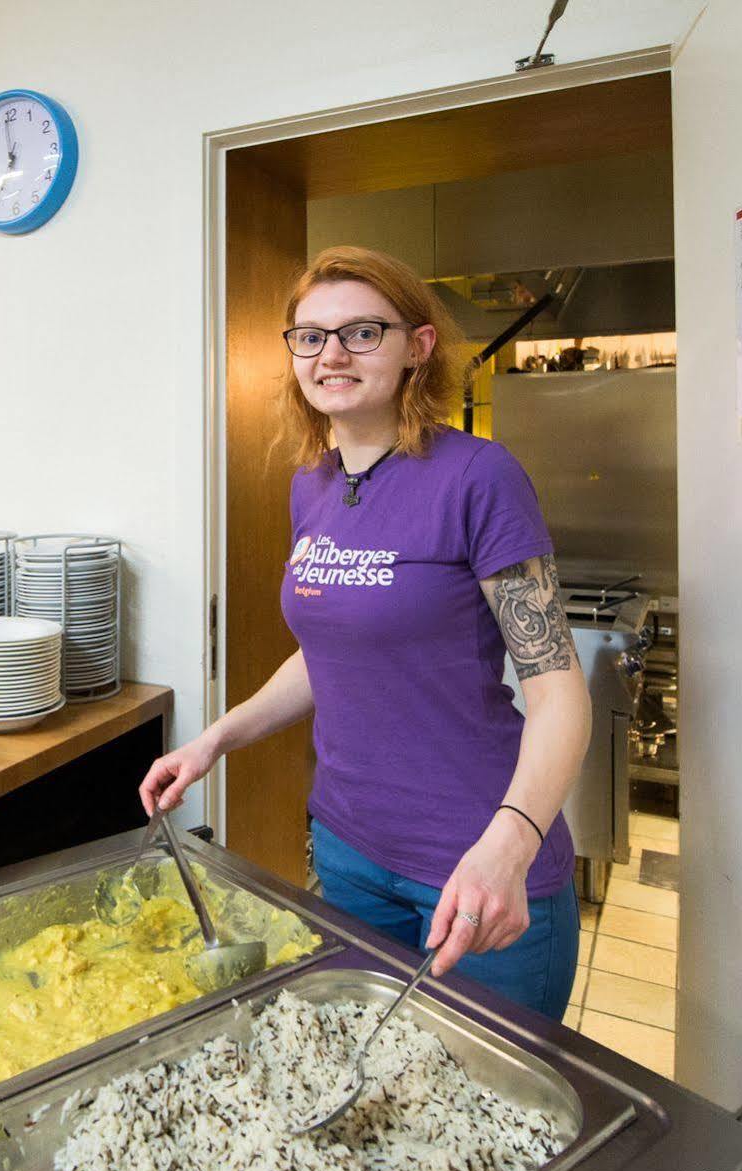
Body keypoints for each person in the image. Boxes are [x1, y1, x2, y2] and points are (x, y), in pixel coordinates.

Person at [140, 247, 591, 1020]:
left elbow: (558, 693)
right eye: (309, 336)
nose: (332, 355)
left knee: (478, 1118)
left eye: (361, 332)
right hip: (348, 852)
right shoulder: (311, 485)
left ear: (416, 347)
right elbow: (328, 653)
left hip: (474, 860)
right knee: (376, 1091)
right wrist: (214, 739)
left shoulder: (477, 476)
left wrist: (508, 846)